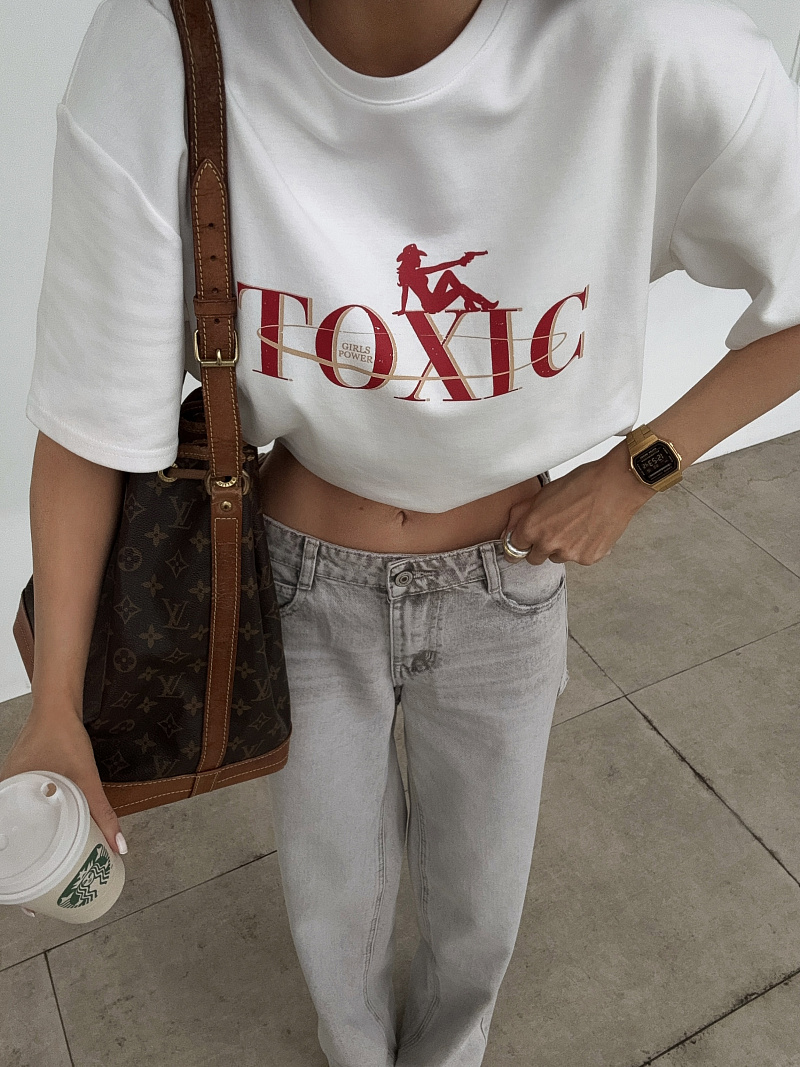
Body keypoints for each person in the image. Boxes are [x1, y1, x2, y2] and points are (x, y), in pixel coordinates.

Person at [2, 0, 800, 1063]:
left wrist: (634, 470)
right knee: (332, 895)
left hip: (505, 586)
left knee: (480, 898)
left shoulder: (655, 42)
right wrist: (54, 708)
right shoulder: (170, 43)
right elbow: (88, 417)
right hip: (295, 592)